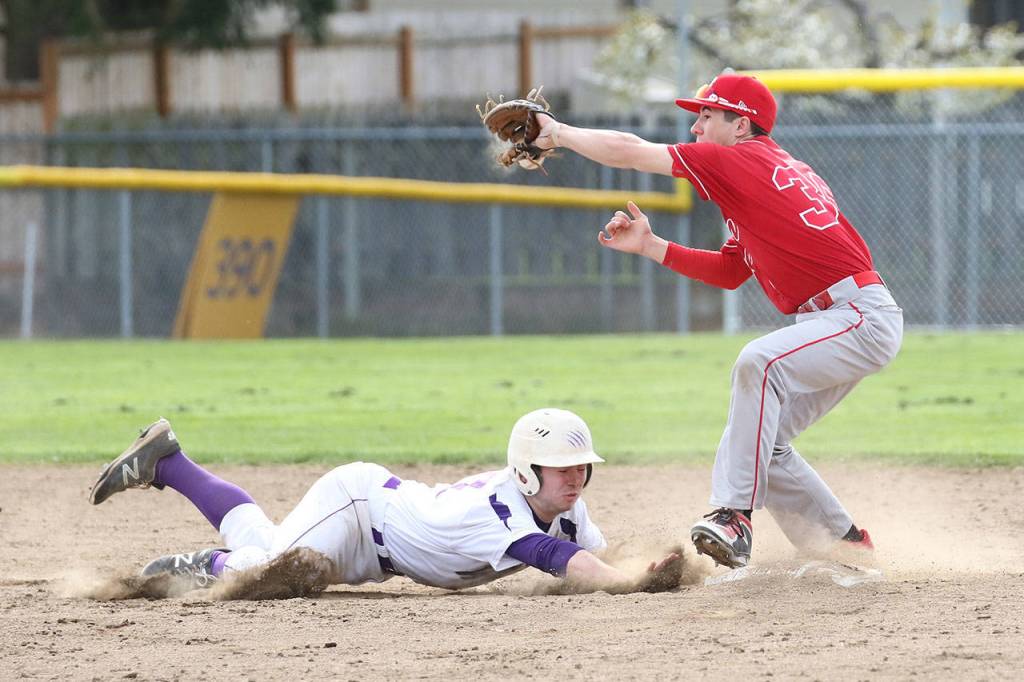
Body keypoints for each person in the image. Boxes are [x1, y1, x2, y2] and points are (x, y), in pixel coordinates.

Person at [529, 72, 902, 568]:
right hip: (839, 319)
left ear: (741, 124)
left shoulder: (738, 159)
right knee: (758, 444)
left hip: (856, 315)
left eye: (707, 114)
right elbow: (731, 271)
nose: (696, 126)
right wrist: (651, 245)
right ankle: (845, 547)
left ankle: (733, 517)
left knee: (759, 362)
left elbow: (630, 149)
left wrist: (557, 133)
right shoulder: (757, 173)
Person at [88, 410, 679, 591]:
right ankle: (206, 562)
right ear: (528, 472)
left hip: (382, 552)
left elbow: (596, 555)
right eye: (562, 469)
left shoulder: (564, 504)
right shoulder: (500, 515)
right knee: (276, 573)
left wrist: (652, 565)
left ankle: (168, 462)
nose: (575, 478)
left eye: (582, 467)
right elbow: (564, 562)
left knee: (270, 548)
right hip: (359, 508)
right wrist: (630, 583)